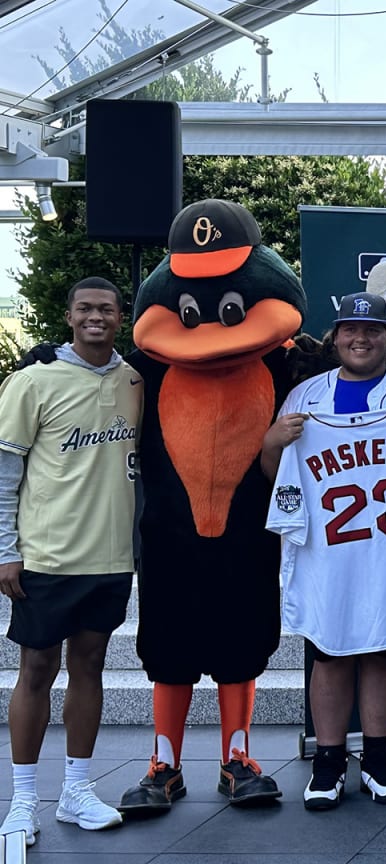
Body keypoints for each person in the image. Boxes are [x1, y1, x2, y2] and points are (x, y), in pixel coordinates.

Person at [260, 292, 386, 811]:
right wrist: (272, 442)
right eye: (351, 330)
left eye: (372, 330)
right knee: (330, 654)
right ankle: (329, 762)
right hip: (328, 552)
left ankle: (378, 758)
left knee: (382, 650)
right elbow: (278, 482)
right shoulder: (306, 397)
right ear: (335, 338)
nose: (361, 338)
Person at [0, 278, 140, 844]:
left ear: (121, 318)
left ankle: (77, 790)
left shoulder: (136, 380)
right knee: (36, 671)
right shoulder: (31, 382)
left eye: (106, 309)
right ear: (68, 315)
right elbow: (5, 476)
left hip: (110, 559)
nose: (95, 317)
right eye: (85, 308)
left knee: (90, 668)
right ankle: (23, 800)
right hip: (47, 556)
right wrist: (5, 550)